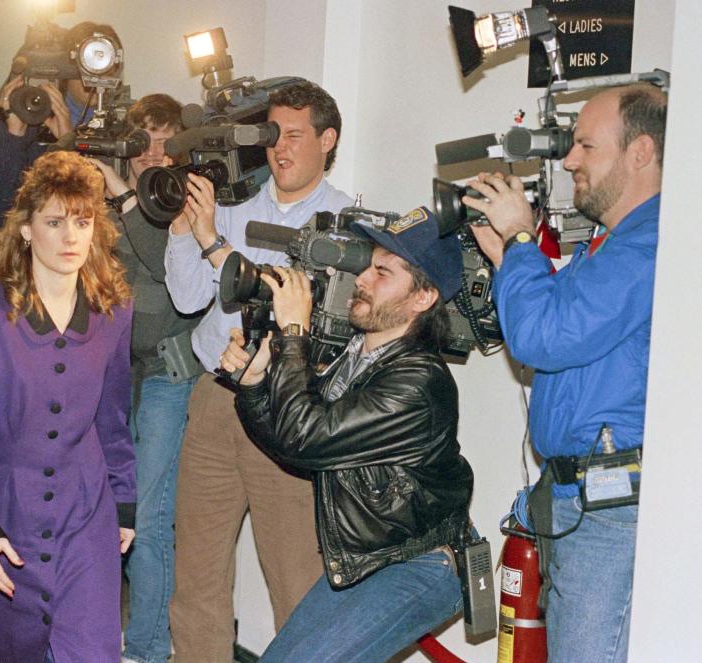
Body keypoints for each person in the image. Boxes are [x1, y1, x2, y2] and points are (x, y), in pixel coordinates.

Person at [466, 84, 667, 662]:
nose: (570, 160)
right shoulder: (610, 243)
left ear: (640, 152)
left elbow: (544, 339)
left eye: (585, 145)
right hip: (578, 499)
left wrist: (522, 238)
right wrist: (510, 261)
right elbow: (557, 333)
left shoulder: (648, 245)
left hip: (610, 509)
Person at [219, 208, 474, 662]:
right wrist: (256, 384)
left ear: (424, 297)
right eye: (366, 267)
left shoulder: (418, 382)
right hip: (366, 560)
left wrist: (293, 332)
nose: (362, 279)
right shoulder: (356, 359)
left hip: (419, 564)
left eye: (383, 272)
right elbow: (297, 452)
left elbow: (306, 437)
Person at [164, 80, 352, 661]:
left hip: (289, 407)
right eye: (272, 136)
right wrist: (183, 230)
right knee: (196, 571)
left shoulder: (346, 220)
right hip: (216, 401)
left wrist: (214, 242)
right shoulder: (235, 204)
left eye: (294, 136)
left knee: (295, 574)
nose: (280, 150)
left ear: (328, 140)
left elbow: (298, 307)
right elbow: (189, 297)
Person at [0, 150, 136, 662]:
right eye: (54, 222)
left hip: (88, 516)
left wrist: (125, 503)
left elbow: (113, 421)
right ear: (26, 229)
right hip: (6, 515)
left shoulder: (114, 311)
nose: (70, 237)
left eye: (82, 221)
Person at [90, 94, 205, 663]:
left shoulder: (186, 195)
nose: (154, 153)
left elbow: (166, 259)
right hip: (108, 379)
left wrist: (125, 196)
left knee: (148, 516)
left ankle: (148, 650)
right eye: (144, 140)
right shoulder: (107, 197)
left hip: (167, 374)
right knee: (95, 508)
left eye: (167, 140)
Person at [0, 21, 119, 227]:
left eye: (102, 60)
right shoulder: (36, 119)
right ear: (67, 65)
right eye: (85, 61)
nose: (95, 75)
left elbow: (107, 217)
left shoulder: (127, 128)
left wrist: (70, 146)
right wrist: (13, 136)